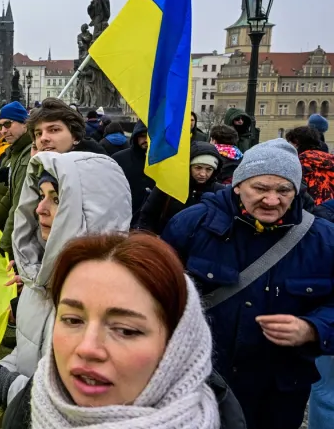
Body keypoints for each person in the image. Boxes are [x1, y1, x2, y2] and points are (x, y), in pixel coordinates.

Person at [162, 138, 334, 429]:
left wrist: (313, 328)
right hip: (201, 381)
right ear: (238, 185)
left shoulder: (324, 240)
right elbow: (155, 293)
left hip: (279, 392)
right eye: (261, 188)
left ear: (296, 191)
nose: (271, 200)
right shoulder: (192, 225)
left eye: (283, 190)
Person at [0, 232, 245, 429]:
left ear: (178, 345)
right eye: (72, 320)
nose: (87, 348)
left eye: (126, 330)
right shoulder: (30, 404)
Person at [0, 150, 132, 411]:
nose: (40, 208)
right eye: (41, 196)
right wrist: (2, 370)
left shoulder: (116, 300)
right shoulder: (41, 278)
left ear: (91, 212)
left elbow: (87, 405)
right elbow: (31, 355)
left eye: (56, 199)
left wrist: (5, 385)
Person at [136, 142, 225, 235]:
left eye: (209, 169)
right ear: (188, 166)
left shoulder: (219, 192)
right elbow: (148, 215)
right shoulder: (168, 184)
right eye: (198, 168)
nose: (203, 174)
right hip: (164, 243)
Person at [0, 101, 33, 258]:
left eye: (8, 124)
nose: (4, 131)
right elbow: (11, 194)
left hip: (22, 244)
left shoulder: (27, 155)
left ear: (25, 124)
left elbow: (19, 205)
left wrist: (5, 244)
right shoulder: (15, 151)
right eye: (0, 127)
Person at [112, 120, 155, 225]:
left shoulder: (164, 161)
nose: (146, 140)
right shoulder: (119, 159)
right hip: (126, 220)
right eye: (142, 136)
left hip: (154, 221)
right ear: (135, 137)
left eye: (150, 136)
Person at [285, 125, 334, 206]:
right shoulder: (330, 159)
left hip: (312, 210)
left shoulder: (302, 161)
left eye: (291, 142)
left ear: (297, 142)